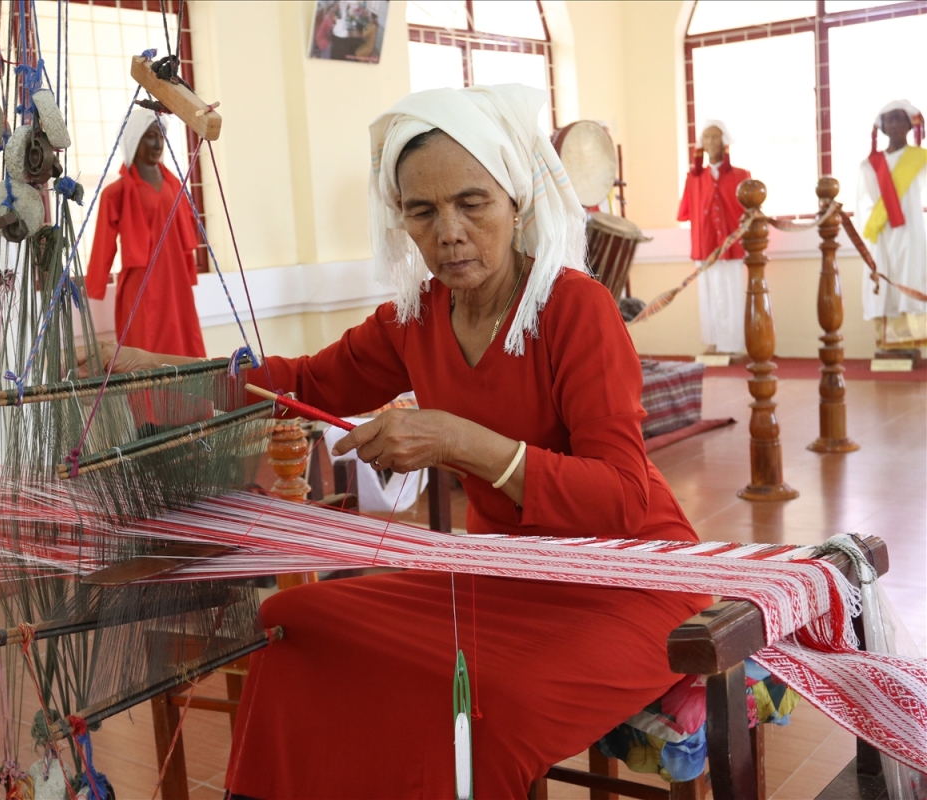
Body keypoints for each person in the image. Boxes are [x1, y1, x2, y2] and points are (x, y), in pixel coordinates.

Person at [81, 84, 709, 796]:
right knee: (291, 622)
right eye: (423, 210)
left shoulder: (575, 309)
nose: (449, 231)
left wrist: (459, 441)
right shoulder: (415, 319)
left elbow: (622, 502)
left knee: (486, 707)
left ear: (516, 202)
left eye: (473, 202)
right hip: (509, 575)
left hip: (632, 579)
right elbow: (297, 384)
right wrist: (152, 371)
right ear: (402, 221)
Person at [86, 111, 206, 357]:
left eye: (161, 135)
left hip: (176, 283)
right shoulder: (115, 193)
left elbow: (187, 233)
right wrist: (94, 286)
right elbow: (102, 244)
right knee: (144, 348)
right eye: (150, 136)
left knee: (183, 345)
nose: (158, 144)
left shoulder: (177, 186)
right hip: (142, 284)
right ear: (134, 139)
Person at [857, 99, 926, 353]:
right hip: (882, 232)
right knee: (884, 280)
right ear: (882, 127)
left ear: (910, 124)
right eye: (889, 119)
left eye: (899, 118)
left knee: (910, 276)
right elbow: (863, 204)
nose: (894, 124)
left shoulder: (921, 158)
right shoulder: (869, 165)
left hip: (911, 230)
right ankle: (888, 344)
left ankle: (912, 341)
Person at [677, 120, 750, 355]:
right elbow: (687, 212)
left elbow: (749, 212)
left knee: (732, 292)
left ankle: (733, 344)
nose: (710, 142)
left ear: (724, 141)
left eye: (715, 137)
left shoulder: (741, 175)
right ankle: (713, 341)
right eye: (706, 138)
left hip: (732, 246)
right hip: (705, 245)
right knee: (708, 294)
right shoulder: (694, 178)